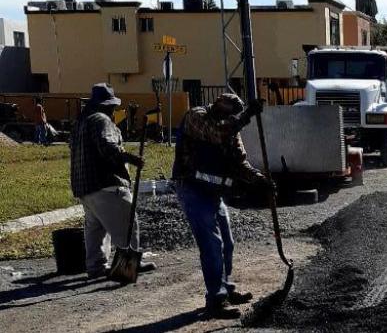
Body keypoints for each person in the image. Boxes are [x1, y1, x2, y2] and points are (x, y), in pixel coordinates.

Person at [171, 93, 271, 319]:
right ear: (218, 108)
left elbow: (239, 162)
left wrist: (259, 179)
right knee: (212, 244)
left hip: (213, 192)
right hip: (192, 187)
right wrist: (246, 116)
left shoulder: (230, 128)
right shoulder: (196, 117)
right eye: (228, 115)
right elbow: (217, 133)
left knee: (227, 242)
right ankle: (216, 299)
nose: (230, 120)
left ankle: (225, 288)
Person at [70, 83, 155, 279]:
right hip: (106, 184)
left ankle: (96, 266)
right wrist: (131, 158)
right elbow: (107, 146)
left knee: (96, 230)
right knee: (127, 223)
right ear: (105, 105)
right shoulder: (102, 120)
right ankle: (130, 263)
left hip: (85, 187)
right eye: (111, 106)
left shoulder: (81, 123)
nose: (113, 109)